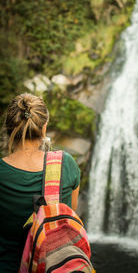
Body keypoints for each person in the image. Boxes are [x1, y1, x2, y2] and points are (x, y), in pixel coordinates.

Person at [0, 93, 80, 272]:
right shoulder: (66, 164)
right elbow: (69, 216)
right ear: (44, 128)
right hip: (53, 267)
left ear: (8, 127)